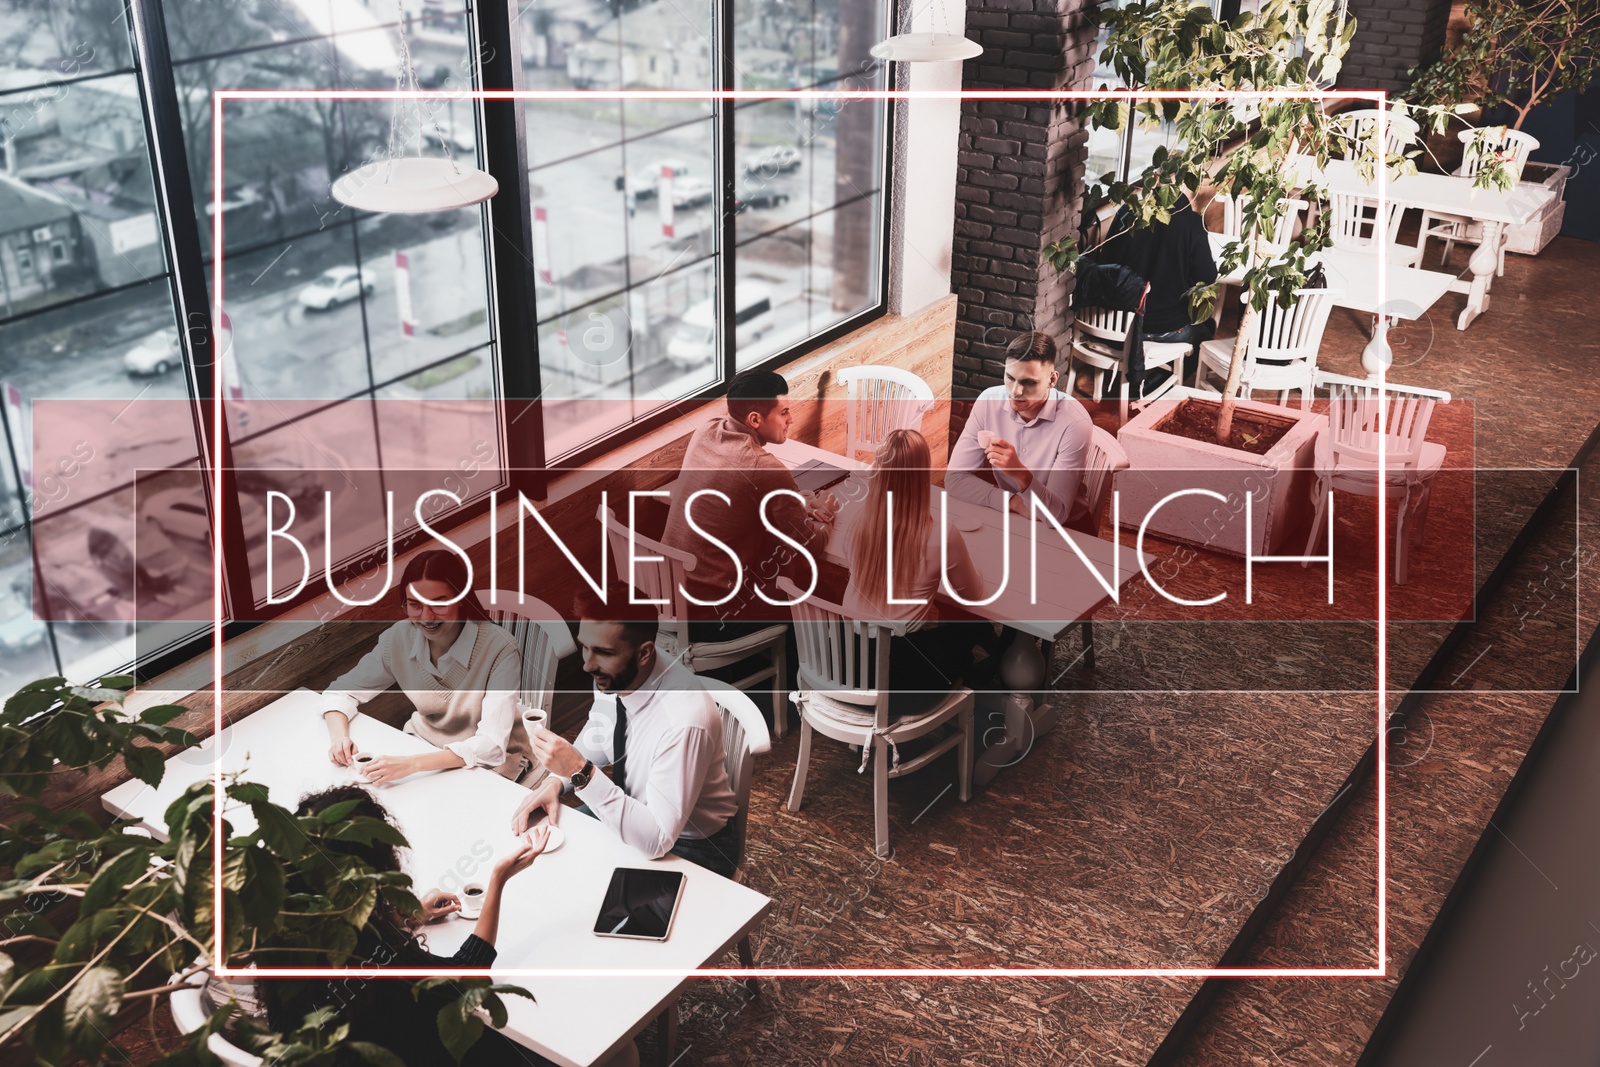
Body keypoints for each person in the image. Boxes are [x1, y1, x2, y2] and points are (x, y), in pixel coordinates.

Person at [261, 785, 550, 1067]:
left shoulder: (280, 937)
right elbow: (466, 975)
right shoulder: (381, 966)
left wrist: (405, 919)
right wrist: (498, 880)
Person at [509, 586, 741, 878]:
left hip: (691, 847)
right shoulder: (615, 673)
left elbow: (656, 840)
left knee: (577, 890)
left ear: (644, 652)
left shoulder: (683, 720)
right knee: (534, 861)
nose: (587, 665)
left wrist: (581, 772)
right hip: (629, 809)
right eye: (585, 646)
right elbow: (602, 729)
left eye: (603, 652)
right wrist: (557, 781)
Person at [320, 550, 537, 786]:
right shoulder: (397, 639)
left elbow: (491, 747)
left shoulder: (500, 648)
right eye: (414, 605)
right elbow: (340, 692)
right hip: (422, 747)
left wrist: (410, 765)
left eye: (438, 604)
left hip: (491, 766)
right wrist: (339, 738)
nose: (426, 617)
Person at [659, 368, 838, 639]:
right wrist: (827, 515)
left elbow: (741, 496)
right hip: (713, 615)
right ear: (754, 419)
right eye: (783, 412)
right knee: (817, 601)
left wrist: (797, 500)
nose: (791, 418)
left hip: (666, 597)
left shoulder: (707, 430)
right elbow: (807, 544)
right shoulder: (763, 467)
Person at [843, 429, 989, 716]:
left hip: (848, 669)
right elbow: (973, 595)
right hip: (903, 684)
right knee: (973, 629)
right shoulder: (941, 535)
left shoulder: (855, 520)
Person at [947, 331, 1095, 532]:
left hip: (1069, 528)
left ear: (1052, 380)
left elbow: (1057, 515)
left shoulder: (1075, 423)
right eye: (1010, 377)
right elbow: (955, 479)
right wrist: (1013, 502)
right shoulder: (988, 402)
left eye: (1029, 382)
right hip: (1017, 517)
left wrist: (1020, 474)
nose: (1015, 391)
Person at [1098, 193, 1219, 380]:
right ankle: (1154, 384)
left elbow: (1105, 261)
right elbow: (1206, 277)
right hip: (1162, 328)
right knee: (1206, 329)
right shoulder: (1191, 222)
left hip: (1116, 324)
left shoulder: (1127, 212)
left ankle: (1143, 376)